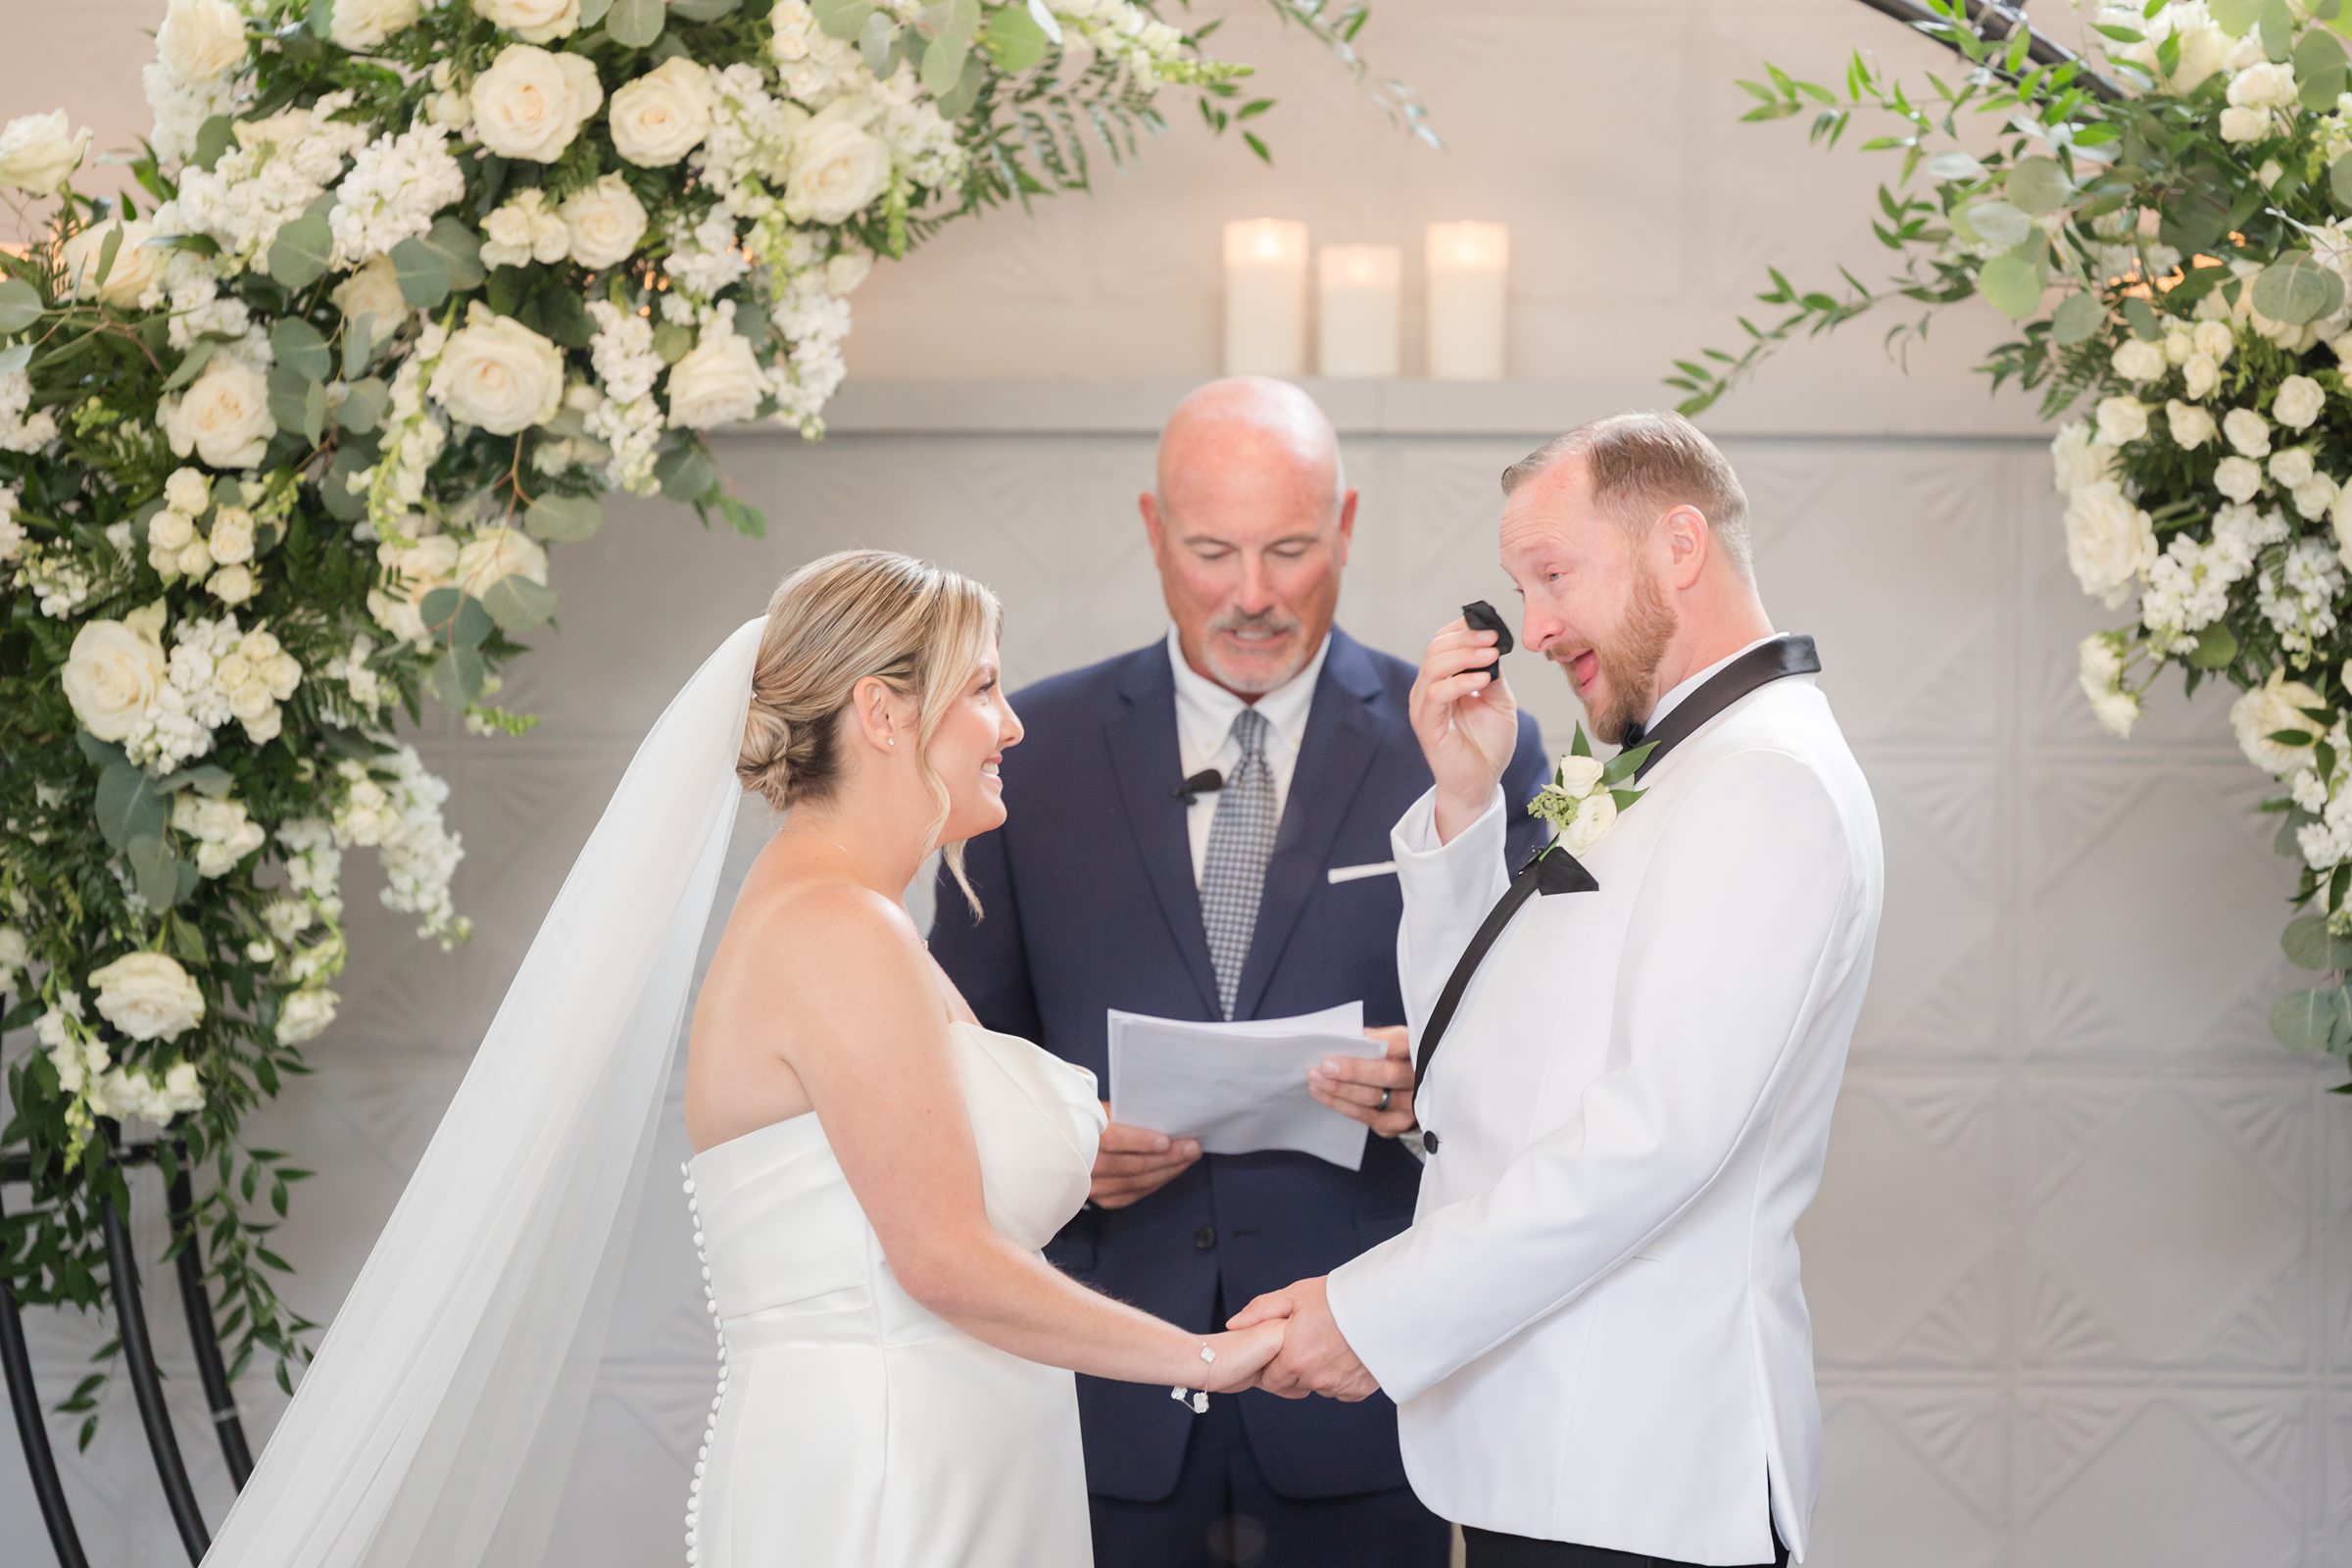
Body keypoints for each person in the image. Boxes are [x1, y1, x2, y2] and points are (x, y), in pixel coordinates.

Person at [195, 551, 1287, 1568]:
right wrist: (1203, 1358)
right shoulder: (836, 934)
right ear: (882, 711)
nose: (1008, 725)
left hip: (945, 1451)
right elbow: (943, 1259)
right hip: (893, 1475)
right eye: (983, 688)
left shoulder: (853, 918)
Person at [1230, 413, 1886, 1568]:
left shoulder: (1764, 783)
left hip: (1641, 1472)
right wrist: (1464, 806)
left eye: (1551, 576)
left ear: (1679, 546)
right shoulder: (1677, 761)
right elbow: (1473, 1059)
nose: (1530, 629)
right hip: (1552, 1459)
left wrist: (1375, 1315)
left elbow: (1654, 1141)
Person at [929, 377, 1547, 1568]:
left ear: (1348, 525)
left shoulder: (1473, 741)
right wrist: (1051, 1150)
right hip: (1098, 1396)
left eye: (1290, 550)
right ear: (1154, 530)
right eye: (1212, 551)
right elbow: (953, 1054)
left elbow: (1543, 1045)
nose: (1252, 594)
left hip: (1365, 1395)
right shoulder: (1024, 752)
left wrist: (1444, 1079)